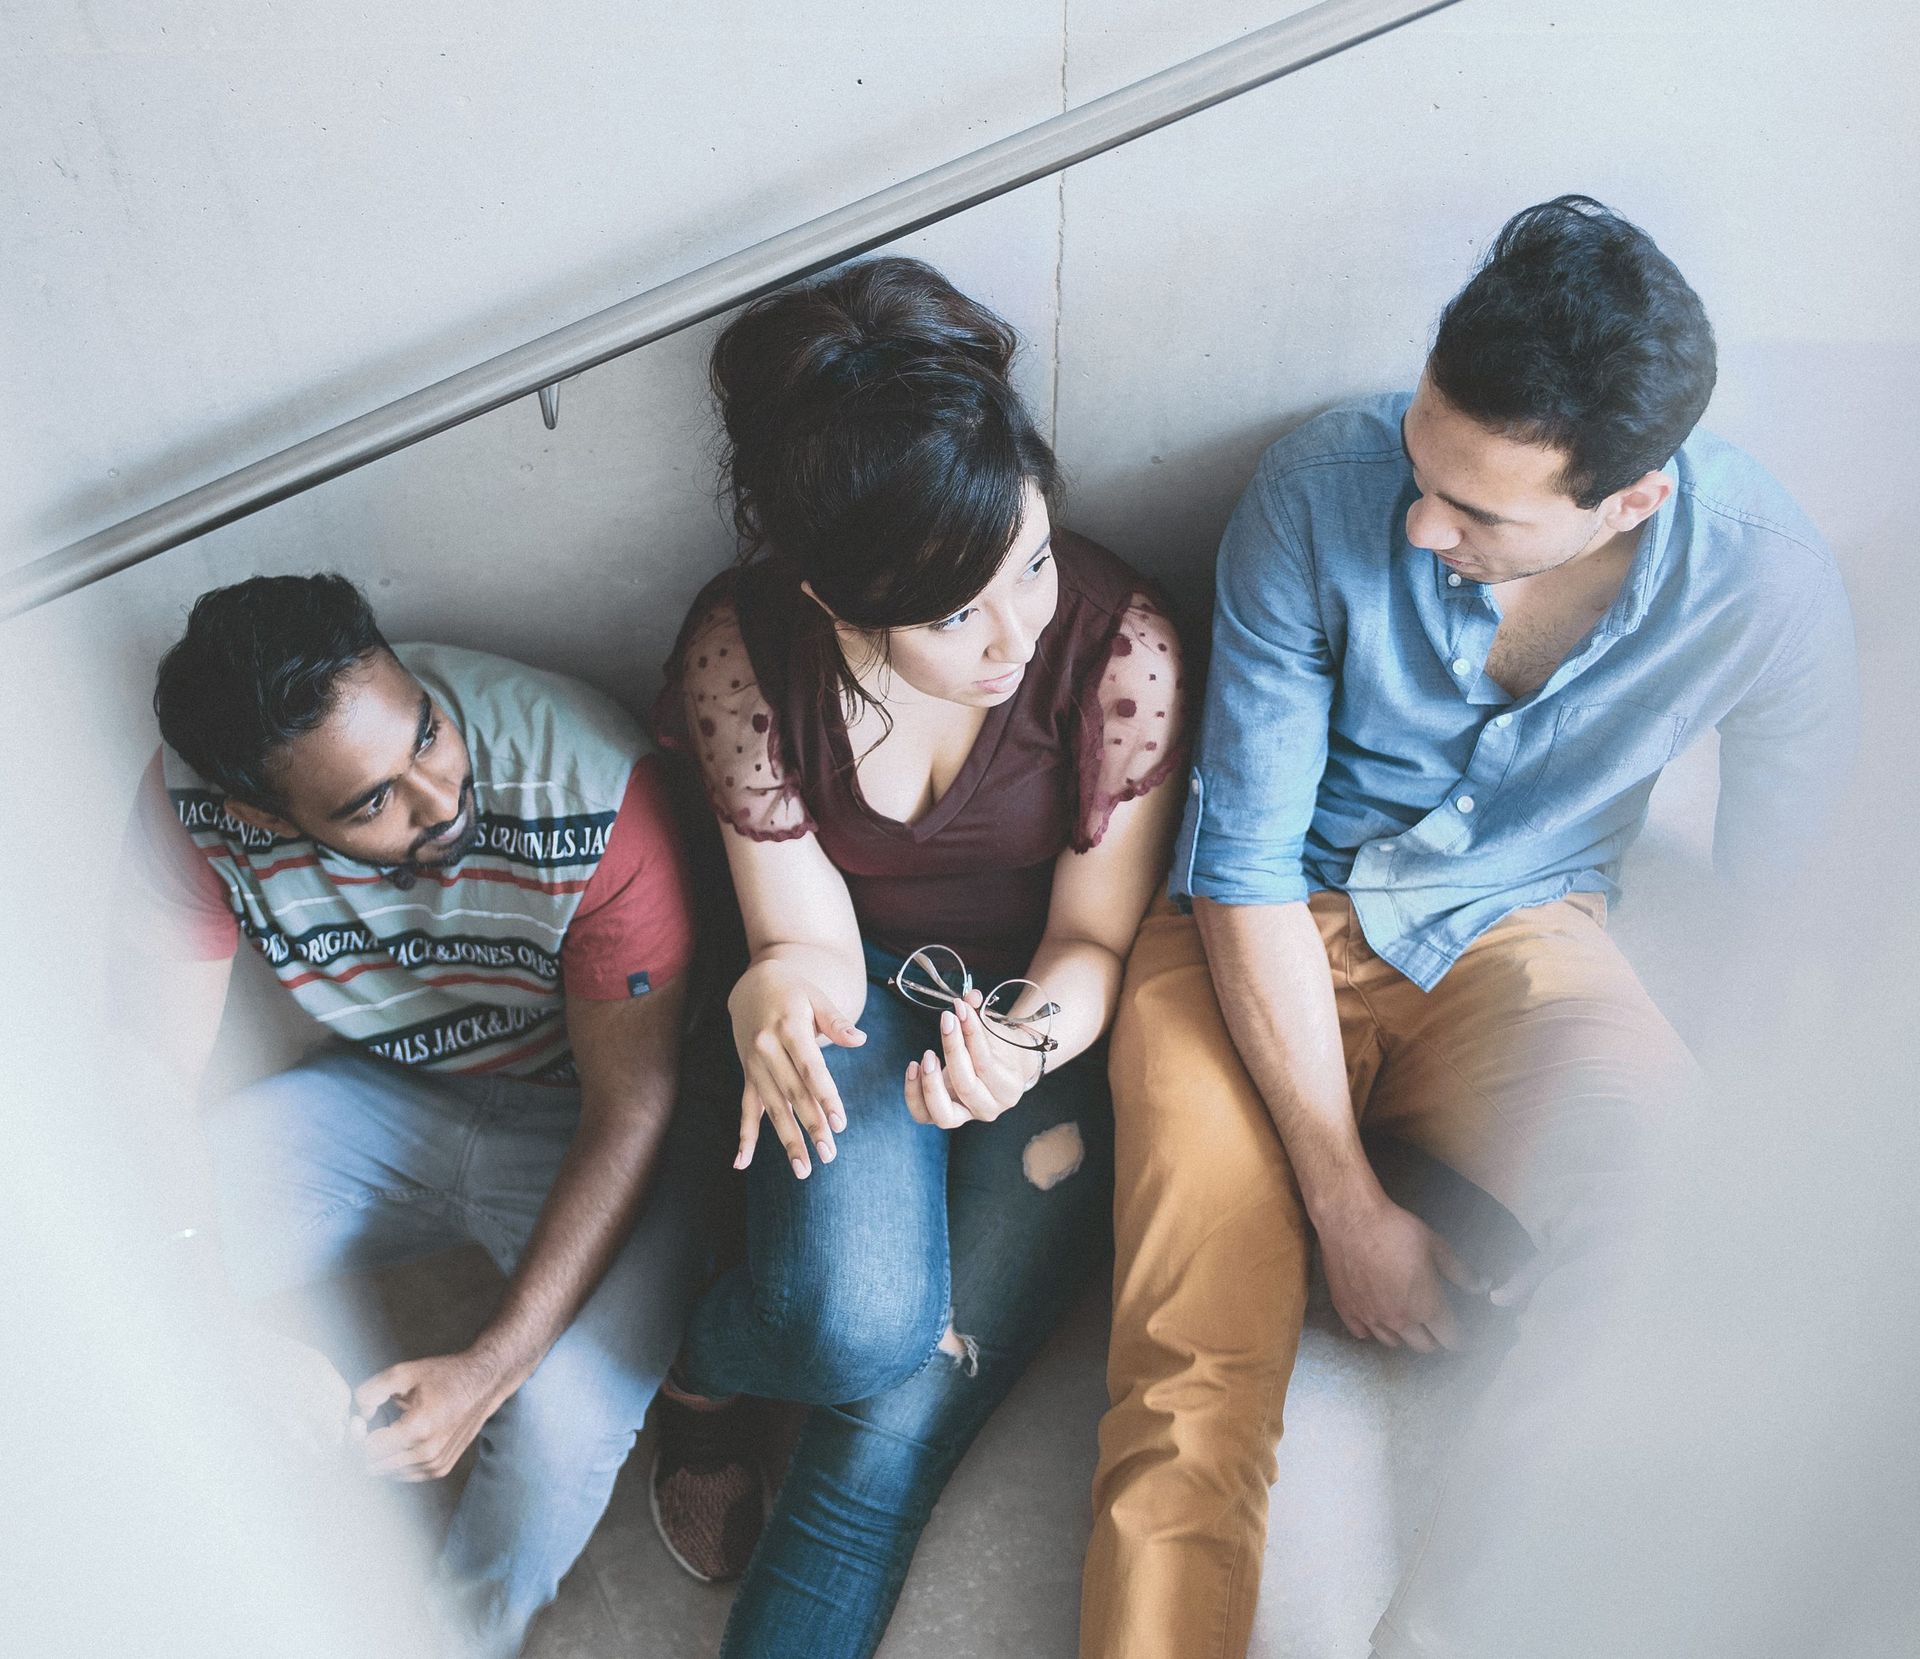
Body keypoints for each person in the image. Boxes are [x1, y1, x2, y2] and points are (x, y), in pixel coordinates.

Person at [1080, 196, 1858, 1659]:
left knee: (1682, 1233)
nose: (1422, 520)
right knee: (1194, 1368)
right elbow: (1241, 864)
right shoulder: (1320, 483)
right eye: (1426, 465)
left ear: (1631, 499)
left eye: (1480, 512)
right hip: (1256, 934)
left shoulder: (1765, 577)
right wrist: (1345, 1207)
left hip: (1522, 932)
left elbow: (1790, 909)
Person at [645, 256, 1187, 1656]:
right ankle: (703, 1367)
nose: (1017, 633)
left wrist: (1027, 1042)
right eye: (958, 612)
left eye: (1035, 562)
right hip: (859, 986)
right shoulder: (748, 649)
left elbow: (1093, 935)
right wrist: (779, 985)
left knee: (883, 1435)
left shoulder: (1116, 646)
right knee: (849, 1329)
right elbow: (804, 926)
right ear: (832, 594)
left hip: (1043, 1023)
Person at [118, 573, 702, 1658]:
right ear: (257, 813)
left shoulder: (587, 785)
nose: (441, 797)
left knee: (557, 1423)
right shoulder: (195, 806)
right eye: (372, 800)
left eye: (426, 732)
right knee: (116, 1269)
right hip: (387, 1103)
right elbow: (147, 1069)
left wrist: (486, 1370)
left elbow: (635, 1104)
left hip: (589, 1122)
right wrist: (215, 1321)